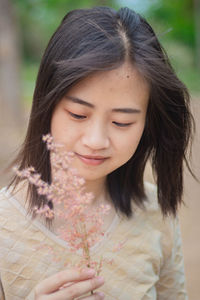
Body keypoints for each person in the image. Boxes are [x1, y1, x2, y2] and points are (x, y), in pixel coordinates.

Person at [0, 6, 194, 300]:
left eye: (122, 122)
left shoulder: (156, 214)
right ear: (47, 104)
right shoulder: (5, 225)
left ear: (146, 123)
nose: (95, 140)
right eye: (78, 114)